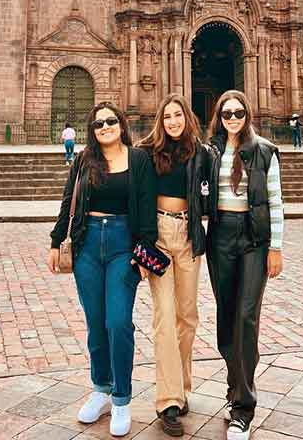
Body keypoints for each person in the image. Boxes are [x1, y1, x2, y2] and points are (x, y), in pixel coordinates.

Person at [47, 102, 157, 436]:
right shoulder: (84, 159)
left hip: (124, 245)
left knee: (118, 322)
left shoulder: (139, 159)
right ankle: (101, 389)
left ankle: (122, 399)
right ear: (92, 130)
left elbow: (148, 205)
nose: (105, 127)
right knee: (96, 324)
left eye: (110, 121)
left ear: (121, 125)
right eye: (98, 123)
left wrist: (145, 251)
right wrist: (56, 240)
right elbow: (69, 200)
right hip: (88, 245)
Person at [206, 90, 284, 440]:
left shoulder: (264, 151)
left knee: (247, 316)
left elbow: (275, 200)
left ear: (247, 114)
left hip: (254, 239)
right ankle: (234, 384)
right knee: (226, 317)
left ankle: (243, 407)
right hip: (220, 236)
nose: (233, 118)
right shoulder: (210, 152)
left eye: (238, 112)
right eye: (227, 113)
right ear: (219, 117)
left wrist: (276, 247)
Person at [138, 94, 214, 437]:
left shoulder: (200, 153)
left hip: (188, 236)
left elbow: (214, 195)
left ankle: (180, 386)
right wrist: (140, 246)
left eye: (178, 115)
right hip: (158, 236)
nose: (172, 121)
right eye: (167, 116)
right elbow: (135, 200)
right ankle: (168, 399)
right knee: (164, 318)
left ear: (187, 119)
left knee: (188, 315)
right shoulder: (146, 153)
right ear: (160, 120)